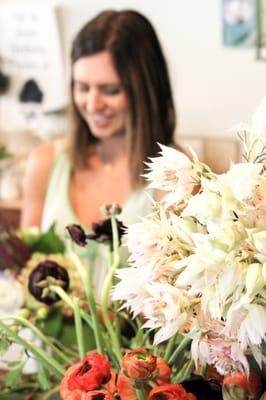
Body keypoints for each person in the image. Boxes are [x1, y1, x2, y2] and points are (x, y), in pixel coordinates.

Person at [21, 9, 178, 299]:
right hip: (46, 343)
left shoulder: (176, 178)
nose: (92, 104)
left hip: (134, 345)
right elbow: (26, 269)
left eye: (110, 90)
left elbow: (176, 295)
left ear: (145, 91)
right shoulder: (45, 162)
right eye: (82, 88)